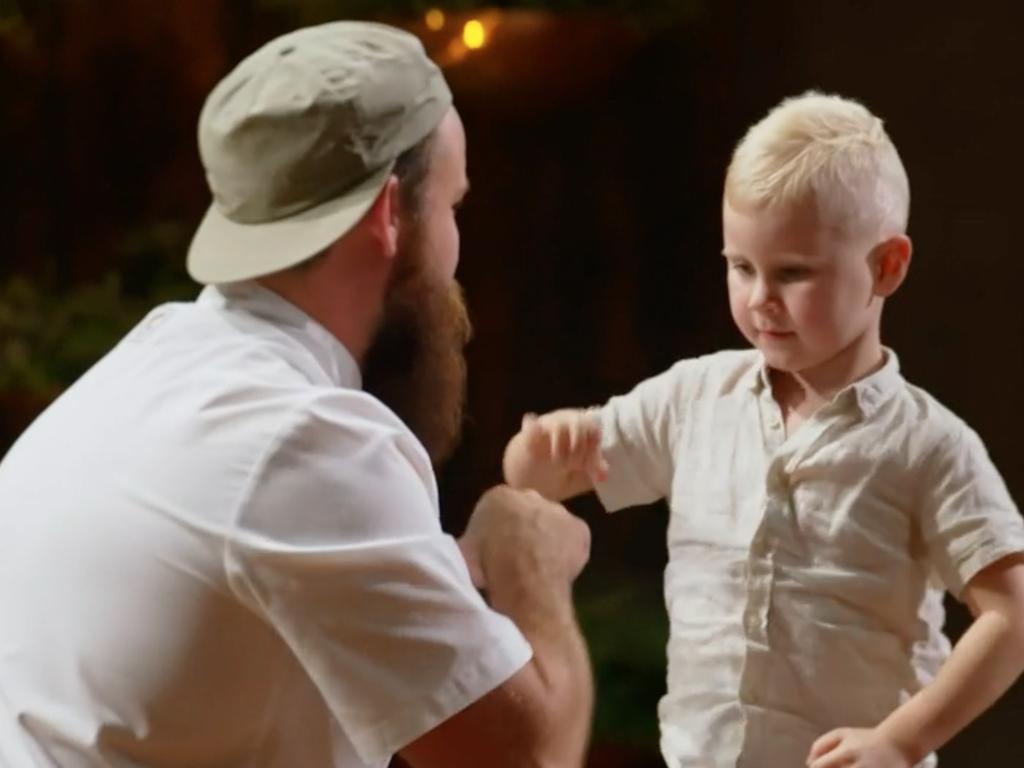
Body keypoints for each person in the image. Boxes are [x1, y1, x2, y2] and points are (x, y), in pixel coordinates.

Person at [0, 21, 593, 768]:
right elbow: (527, 758)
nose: (454, 249)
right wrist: (530, 562)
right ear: (388, 215)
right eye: (452, 207)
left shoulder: (139, 375)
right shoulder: (303, 439)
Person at [503, 92, 1024, 768]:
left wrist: (902, 739)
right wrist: (538, 455)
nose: (758, 299)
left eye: (793, 273)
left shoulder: (927, 446)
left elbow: (1012, 618)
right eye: (740, 266)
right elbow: (537, 481)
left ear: (887, 266)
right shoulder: (694, 397)